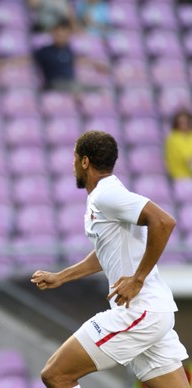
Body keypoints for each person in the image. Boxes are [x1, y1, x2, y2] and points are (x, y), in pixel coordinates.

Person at [31, 130, 189, 388]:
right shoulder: (104, 198)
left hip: (139, 312)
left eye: (74, 159)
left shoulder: (107, 195)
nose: (73, 166)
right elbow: (105, 251)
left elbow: (163, 221)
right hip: (151, 313)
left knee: (56, 375)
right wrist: (61, 276)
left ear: (84, 161)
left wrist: (137, 279)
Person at [33, 19, 108, 92]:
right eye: (57, 32)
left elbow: (78, 60)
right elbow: (29, 60)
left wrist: (96, 65)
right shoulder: (45, 51)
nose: (60, 35)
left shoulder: (69, 50)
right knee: (75, 88)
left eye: (63, 32)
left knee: (98, 89)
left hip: (70, 83)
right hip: (53, 84)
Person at [165, 109, 192, 180]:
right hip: (180, 177)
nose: (184, 125)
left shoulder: (190, 135)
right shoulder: (173, 138)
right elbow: (187, 159)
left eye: (186, 122)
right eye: (181, 122)